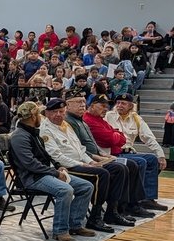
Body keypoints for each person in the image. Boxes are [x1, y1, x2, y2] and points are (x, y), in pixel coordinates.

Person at [9, 101, 94, 241]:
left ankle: (75, 224)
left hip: (44, 173)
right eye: (38, 114)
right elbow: (30, 164)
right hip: (31, 177)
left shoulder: (33, 132)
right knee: (65, 190)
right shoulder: (20, 136)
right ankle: (60, 231)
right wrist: (54, 172)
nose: (41, 117)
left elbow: (46, 155)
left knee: (86, 186)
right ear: (32, 116)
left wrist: (58, 166)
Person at [39, 97, 117, 232]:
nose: (59, 115)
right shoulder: (45, 129)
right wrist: (83, 164)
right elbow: (56, 156)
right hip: (65, 167)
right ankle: (95, 217)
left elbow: (80, 149)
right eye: (55, 112)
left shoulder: (66, 125)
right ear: (47, 113)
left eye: (61, 112)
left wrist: (90, 161)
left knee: (115, 168)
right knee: (102, 175)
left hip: (79, 163)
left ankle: (114, 210)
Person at [105, 94, 168, 211]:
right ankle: (133, 200)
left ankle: (148, 199)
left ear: (130, 106)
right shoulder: (108, 116)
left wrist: (161, 155)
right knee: (141, 162)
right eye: (118, 103)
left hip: (129, 152)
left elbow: (149, 138)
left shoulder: (136, 118)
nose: (119, 105)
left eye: (123, 103)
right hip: (114, 153)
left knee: (152, 159)